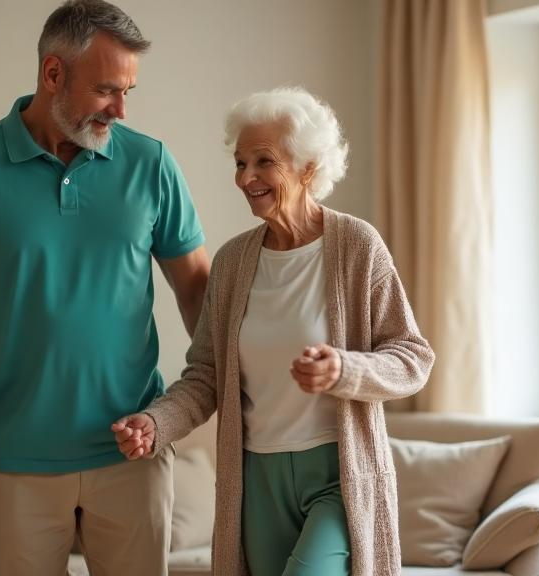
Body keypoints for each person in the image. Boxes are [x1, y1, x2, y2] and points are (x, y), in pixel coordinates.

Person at [0, 1, 209, 574]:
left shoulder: (152, 164)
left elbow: (197, 291)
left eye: (128, 91)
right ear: (53, 74)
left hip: (132, 454)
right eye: (106, 90)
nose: (119, 108)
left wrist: (229, 391)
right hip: (14, 464)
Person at [112, 87, 434, 576]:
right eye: (240, 163)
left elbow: (413, 357)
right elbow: (205, 377)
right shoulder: (233, 262)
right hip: (255, 479)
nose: (246, 178)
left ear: (308, 167)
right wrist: (157, 424)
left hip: (337, 474)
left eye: (264, 162)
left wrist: (345, 369)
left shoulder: (357, 246)